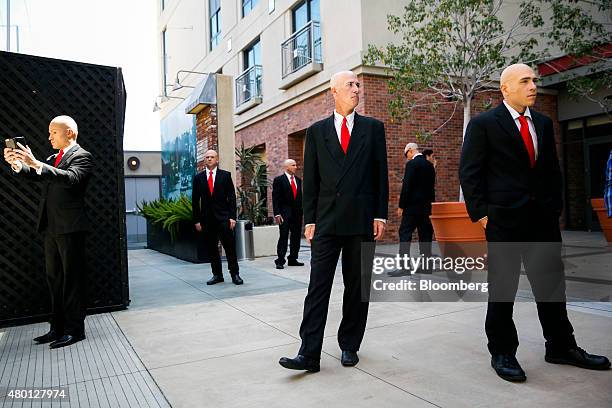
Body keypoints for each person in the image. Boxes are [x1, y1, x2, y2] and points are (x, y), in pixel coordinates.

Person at [459, 63, 610, 382]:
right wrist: (484, 215)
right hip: (504, 222)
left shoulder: (542, 123)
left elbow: (552, 170)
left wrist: (554, 207)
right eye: (525, 81)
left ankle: (560, 346)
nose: (533, 86)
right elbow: (470, 173)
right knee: (503, 289)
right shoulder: (484, 124)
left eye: (534, 81)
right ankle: (502, 352)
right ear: (506, 89)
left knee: (552, 286)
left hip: (542, 221)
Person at [279, 70, 389, 372]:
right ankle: (309, 353)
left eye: (358, 85)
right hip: (326, 221)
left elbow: (381, 174)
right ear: (334, 92)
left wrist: (380, 214)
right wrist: (310, 219)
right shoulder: (316, 131)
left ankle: (349, 344)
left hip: (362, 220)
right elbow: (311, 181)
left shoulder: (372, 128)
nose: (356, 89)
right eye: (350, 85)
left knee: (357, 287)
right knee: (318, 287)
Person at [3, 115, 93, 349]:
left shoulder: (82, 156)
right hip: (51, 227)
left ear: (70, 133)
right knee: (55, 280)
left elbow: (71, 178)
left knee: (72, 280)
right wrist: (18, 163)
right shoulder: (54, 158)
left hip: (71, 227)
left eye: (54, 132)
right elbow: (35, 174)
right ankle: (57, 328)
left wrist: (37, 164)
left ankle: (75, 330)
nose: (49, 136)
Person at [192, 150, 243, 285]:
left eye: (212, 157)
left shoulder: (225, 176)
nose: (209, 159)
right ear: (205, 160)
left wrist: (232, 217)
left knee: (229, 247)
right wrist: (196, 220)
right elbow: (195, 200)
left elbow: (232, 197)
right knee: (212, 248)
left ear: (217, 159)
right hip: (207, 220)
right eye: (207, 157)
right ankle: (217, 275)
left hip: (223, 218)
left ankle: (235, 274)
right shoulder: (198, 178)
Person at [390, 142, 435, 276]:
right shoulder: (430, 165)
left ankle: (404, 267)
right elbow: (432, 188)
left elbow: (407, 187)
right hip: (426, 208)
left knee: (404, 234)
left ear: (410, 151)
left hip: (411, 208)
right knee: (425, 236)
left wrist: (401, 206)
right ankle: (426, 266)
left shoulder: (411, 164)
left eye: (406, 154)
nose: (407, 157)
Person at [272, 159, 304, 269]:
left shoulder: (298, 180)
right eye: (293, 165)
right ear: (286, 167)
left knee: (296, 237)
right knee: (284, 236)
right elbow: (275, 198)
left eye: (296, 164)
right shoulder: (279, 180)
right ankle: (280, 260)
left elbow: (299, 198)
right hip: (284, 214)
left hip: (297, 214)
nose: (296, 167)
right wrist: (277, 213)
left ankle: (293, 259)